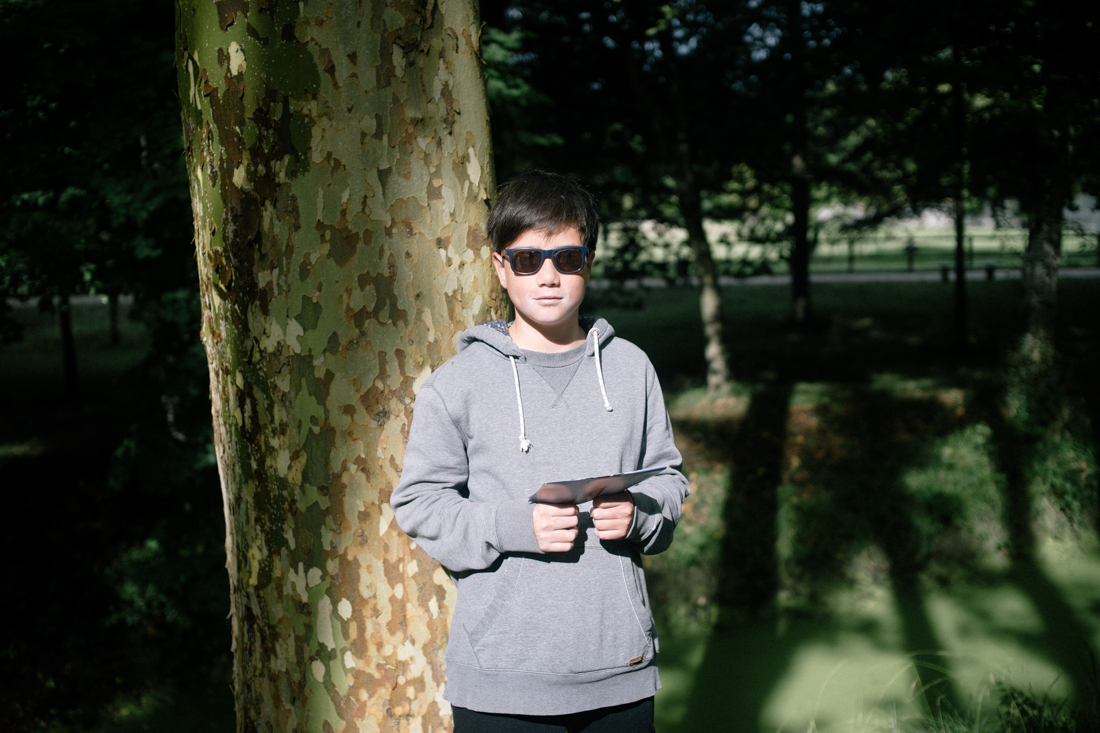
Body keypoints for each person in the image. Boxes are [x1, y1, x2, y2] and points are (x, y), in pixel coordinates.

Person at [391, 170, 690, 732]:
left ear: (588, 264)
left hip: (620, 671)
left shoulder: (631, 368)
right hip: (501, 682)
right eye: (527, 260)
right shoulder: (457, 383)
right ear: (500, 267)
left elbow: (668, 479)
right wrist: (514, 526)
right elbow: (419, 503)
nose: (548, 276)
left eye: (567, 259)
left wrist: (640, 515)